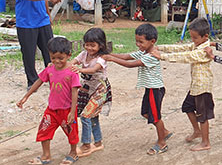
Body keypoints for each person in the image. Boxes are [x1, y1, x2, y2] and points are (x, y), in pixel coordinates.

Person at [102, 24, 172, 155]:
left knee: (155, 117)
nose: (138, 44)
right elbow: (127, 56)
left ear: (152, 41)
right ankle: (164, 132)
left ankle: (162, 143)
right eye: (137, 41)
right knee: (145, 113)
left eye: (141, 42)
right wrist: (110, 55)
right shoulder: (143, 51)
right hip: (150, 89)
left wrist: (111, 58)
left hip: (155, 90)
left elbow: (130, 65)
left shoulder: (152, 55)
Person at [17, 37, 81, 165]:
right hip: (52, 109)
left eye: (60, 58)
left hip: (67, 109)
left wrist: (72, 111)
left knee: (71, 132)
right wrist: (26, 96)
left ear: (68, 55)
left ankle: (73, 152)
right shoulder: (50, 69)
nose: (57, 61)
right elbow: (39, 81)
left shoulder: (72, 73)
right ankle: (46, 155)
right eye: (53, 58)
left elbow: (75, 93)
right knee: (44, 130)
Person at [155, 17, 214, 151]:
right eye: (191, 37)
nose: (192, 40)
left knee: (203, 116)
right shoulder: (198, 44)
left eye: (195, 38)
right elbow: (181, 48)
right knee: (187, 107)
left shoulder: (204, 50)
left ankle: (206, 142)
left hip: (202, 87)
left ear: (205, 36)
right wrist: (161, 48)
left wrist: (162, 56)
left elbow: (185, 57)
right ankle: (197, 131)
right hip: (196, 86)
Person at [14, 0, 61, 90]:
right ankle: (32, 81)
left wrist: (48, 15)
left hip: (43, 21)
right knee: (29, 54)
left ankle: (54, 78)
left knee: (51, 51)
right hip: (26, 22)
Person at [70, 28, 112, 157]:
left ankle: (87, 144)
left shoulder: (102, 58)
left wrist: (79, 69)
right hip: (88, 90)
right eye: (87, 45)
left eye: (93, 45)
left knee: (85, 115)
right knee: (92, 116)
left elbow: (93, 69)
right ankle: (98, 143)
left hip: (100, 91)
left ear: (101, 45)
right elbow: (72, 62)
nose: (89, 48)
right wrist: (57, 65)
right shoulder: (83, 54)